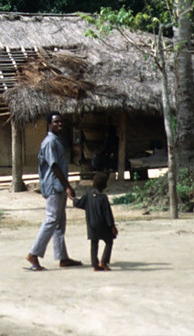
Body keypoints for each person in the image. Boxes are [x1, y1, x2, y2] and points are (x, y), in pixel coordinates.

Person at [25, 113, 82, 270]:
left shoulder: (56, 141)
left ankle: (62, 257)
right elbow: (54, 166)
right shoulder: (50, 142)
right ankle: (33, 253)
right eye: (56, 122)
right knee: (51, 220)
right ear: (49, 124)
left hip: (58, 186)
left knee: (59, 222)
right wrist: (67, 186)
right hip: (54, 187)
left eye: (61, 122)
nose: (60, 125)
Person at [75, 171, 118, 271]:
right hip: (102, 224)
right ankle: (103, 262)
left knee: (94, 243)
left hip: (91, 224)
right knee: (109, 241)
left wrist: (72, 198)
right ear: (105, 185)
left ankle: (95, 264)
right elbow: (108, 213)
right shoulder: (103, 198)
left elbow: (79, 203)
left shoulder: (89, 194)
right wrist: (112, 226)